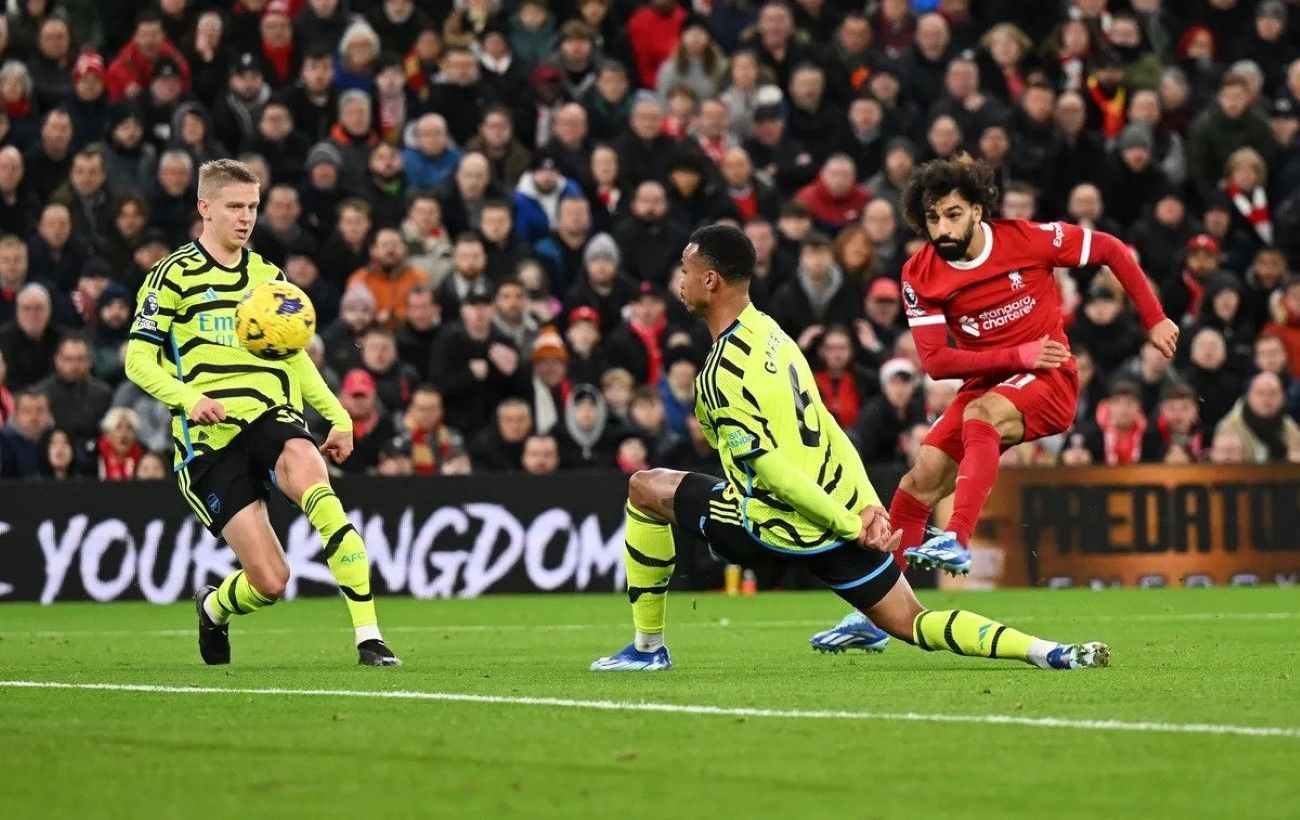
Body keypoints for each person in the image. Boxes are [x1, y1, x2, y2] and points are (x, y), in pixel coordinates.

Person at [592, 224, 1110, 672]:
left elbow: (771, 473)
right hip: (834, 511)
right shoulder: (774, 334)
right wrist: (865, 506)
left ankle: (647, 649)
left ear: (710, 280)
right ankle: (1049, 651)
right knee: (913, 621)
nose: (679, 282)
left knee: (644, 489)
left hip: (770, 523)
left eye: (685, 271)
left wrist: (850, 522)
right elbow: (828, 426)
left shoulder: (719, 374)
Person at [811, 154, 1176, 650]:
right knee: (917, 483)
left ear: (978, 209)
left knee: (981, 415)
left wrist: (1154, 318)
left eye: (953, 214)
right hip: (989, 380)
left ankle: (959, 538)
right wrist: (1015, 354)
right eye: (932, 218)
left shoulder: (1028, 239)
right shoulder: (920, 273)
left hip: (1049, 377)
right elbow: (936, 361)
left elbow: (1111, 248)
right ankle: (877, 617)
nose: (942, 227)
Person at [123, 158, 399, 668]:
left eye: (252, 206)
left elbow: (295, 356)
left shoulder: (267, 276)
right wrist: (190, 400)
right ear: (205, 208)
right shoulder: (172, 274)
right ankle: (213, 607)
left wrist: (338, 417)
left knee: (323, 497)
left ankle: (370, 638)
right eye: (234, 206)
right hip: (208, 439)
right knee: (271, 581)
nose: (246, 217)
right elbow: (137, 360)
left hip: (271, 416)